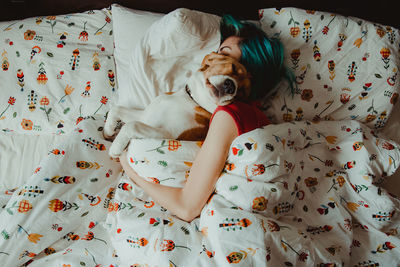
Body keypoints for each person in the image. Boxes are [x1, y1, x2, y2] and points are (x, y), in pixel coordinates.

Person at [119, 14, 294, 222]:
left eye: (223, 54)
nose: (212, 57)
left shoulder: (229, 116)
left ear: (245, 72)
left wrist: (129, 169)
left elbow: (187, 208)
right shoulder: (255, 115)